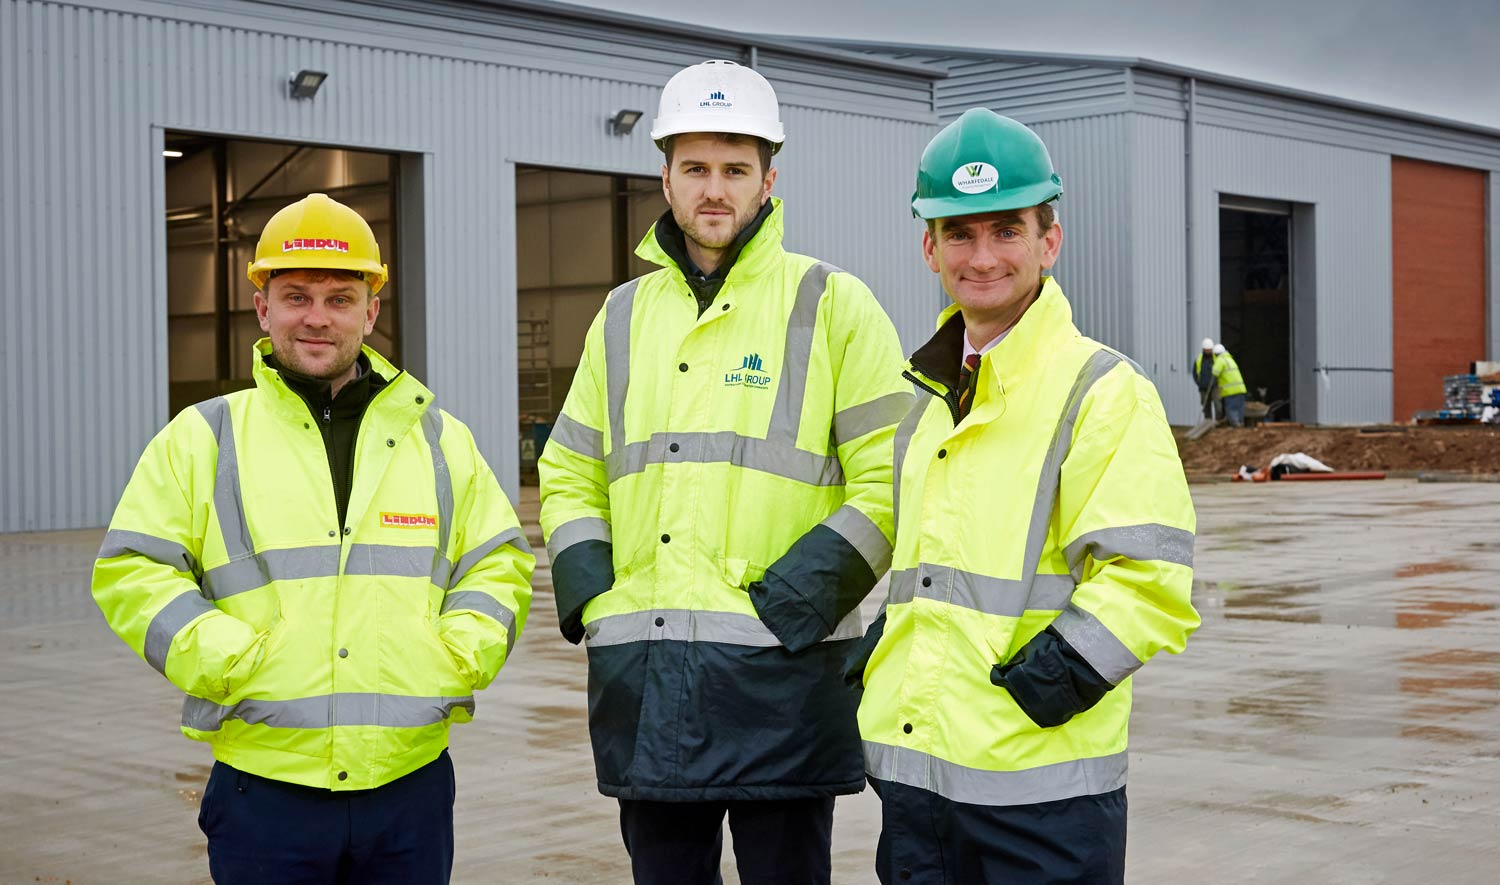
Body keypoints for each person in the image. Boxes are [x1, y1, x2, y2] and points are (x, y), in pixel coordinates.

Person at [538, 59, 910, 885]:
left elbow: (894, 477)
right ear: (664, 176)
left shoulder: (832, 304)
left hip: (785, 682)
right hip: (647, 678)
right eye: (697, 168)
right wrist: (598, 593)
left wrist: (796, 601)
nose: (716, 189)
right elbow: (568, 466)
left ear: (769, 178)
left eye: (736, 169)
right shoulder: (622, 316)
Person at [92, 193, 534, 884]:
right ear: (263, 308)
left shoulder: (440, 439)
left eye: (340, 296)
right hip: (264, 790)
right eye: (296, 296)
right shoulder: (204, 437)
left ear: (371, 309)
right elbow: (133, 568)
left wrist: (456, 653)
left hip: (407, 786)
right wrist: (227, 658)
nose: (318, 317)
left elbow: (499, 559)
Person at [850, 108, 1201, 884]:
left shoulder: (1103, 391)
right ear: (928, 247)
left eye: (1006, 231)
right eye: (959, 234)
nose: (982, 257)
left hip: (1041, 797)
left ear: (1050, 240)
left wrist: (1042, 691)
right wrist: (882, 657)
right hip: (917, 784)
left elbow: (1149, 581)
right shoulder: (926, 402)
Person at [1212, 342, 1248, 426]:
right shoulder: (1230, 359)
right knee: (1240, 408)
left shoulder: (1220, 360)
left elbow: (1215, 372)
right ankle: (1241, 423)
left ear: (1215, 354)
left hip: (1230, 390)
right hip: (1241, 389)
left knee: (1231, 408)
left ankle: (1235, 425)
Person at [1194, 337, 1218, 419]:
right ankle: (1208, 421)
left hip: (1215, 386)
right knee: (1205, 405)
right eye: (1206, 350)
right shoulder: (1199, 359)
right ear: (1203, 349)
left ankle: (1219, 422)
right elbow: (1195, 373)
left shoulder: (1216, 358)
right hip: (1203, 387)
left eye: (1209, 350)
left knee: (1217, 403)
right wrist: (1199, 383)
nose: (1208, 351)